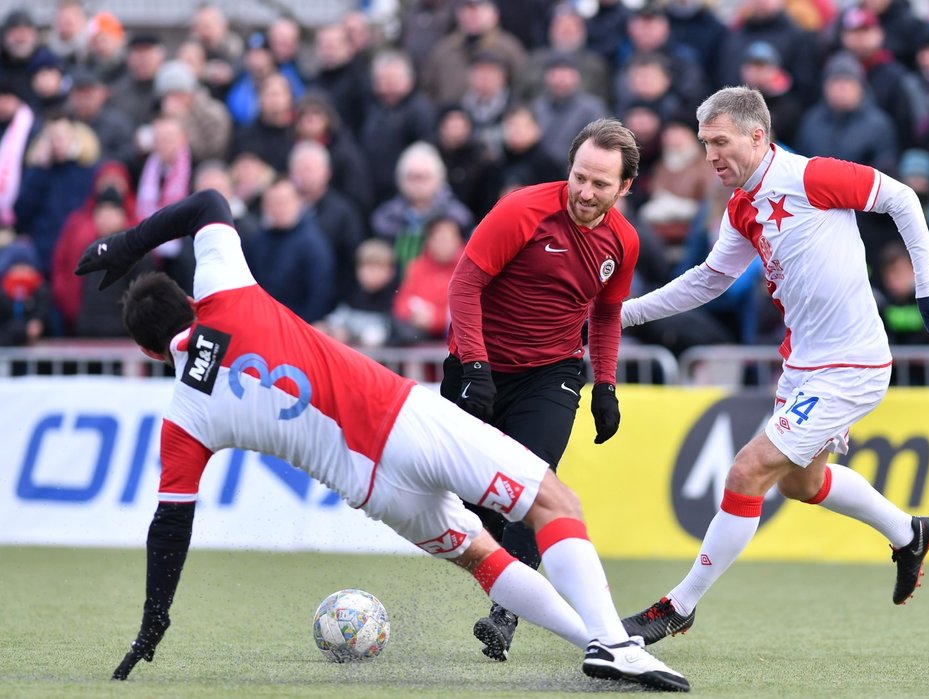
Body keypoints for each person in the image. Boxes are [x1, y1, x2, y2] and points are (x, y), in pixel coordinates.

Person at [72, 189, 688, 692]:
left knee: (484, 559)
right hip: (402, 422)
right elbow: (206, 202)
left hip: (371, 490)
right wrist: (124, 245)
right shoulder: (225, 292)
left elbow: (170, 526)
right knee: (556, 503)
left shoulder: (185, 418)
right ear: (188, 298)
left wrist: (154, 622)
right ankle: (617, 646)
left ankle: (602, 645)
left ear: (151, 353)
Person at [617, 86, 929, 645]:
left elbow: (901, 198)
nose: (710, 156)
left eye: (719, 142)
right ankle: (908, 533)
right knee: (802, 483)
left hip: (852, 365)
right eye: (704, 144)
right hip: (803, 367)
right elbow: (709, 279)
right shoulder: (740, 207)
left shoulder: (809, 175)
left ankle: (679, 605)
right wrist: (624, 315)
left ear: (757, 135)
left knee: (747, 472)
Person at [440, 117, 639, 661]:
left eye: (601, 184)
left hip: (551, 374)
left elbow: (605, 316)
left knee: (531, 487)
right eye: (579, 177)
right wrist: (476, 365)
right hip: (475, 367)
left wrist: (605, 386)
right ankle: (499, 571)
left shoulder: (623, 242)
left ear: (624, 188)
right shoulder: (521, 211)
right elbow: (465, 283)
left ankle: (506, 615)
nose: (585, 191)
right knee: (465, 502)